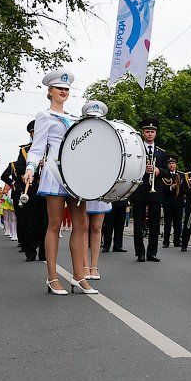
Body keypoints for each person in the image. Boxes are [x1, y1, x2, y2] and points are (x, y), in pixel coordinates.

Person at [23, 69, 95, 294]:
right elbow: (37, 148)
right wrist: (30, 167)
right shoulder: (44, 116)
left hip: (75, 176)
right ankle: (52, 277)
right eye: (59, 88)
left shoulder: (75, 118)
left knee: (81, 225)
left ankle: (79, 276)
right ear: (50, 91)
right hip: (54, 174)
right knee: (54, 225)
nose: (63, 91)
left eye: (66, 89)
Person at [0, 120, 48, 262]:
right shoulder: (25, 150)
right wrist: (31, 166)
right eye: (34, 132)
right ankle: (30, 251)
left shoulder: (50, 148)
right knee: (29, 221)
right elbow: (18, 168)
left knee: (45, 222)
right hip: (30, 189)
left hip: (45, 189)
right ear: (31, 134)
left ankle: (44, 252)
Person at [80, 101, 113, 280]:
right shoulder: (80, 135)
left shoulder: (108, 137)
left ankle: (95, 266)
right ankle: (84, 265)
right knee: (83, 226)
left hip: (101, 185)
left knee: (97, 227)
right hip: (83, 184)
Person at [131, 117, 167, 263]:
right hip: (140, 190)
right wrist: (143, 169)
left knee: (154, 224)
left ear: (156, 133)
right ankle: (140, 252)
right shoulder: (136, 150)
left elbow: (168, 172)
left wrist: (158, 171)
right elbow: (131, 168)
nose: (150, 134)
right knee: (138, 223)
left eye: (152, 131)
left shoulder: (161, 152)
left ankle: (152, 252)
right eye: (147, 131)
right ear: (143, 133)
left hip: (155, 191)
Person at [161, 156, 183, 248]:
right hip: (168, 202)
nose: (171, 165)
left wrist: (178, 188)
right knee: (167, 223)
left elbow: (185, 188)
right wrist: (171, 187)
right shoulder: (164, 174)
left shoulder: (181, 175)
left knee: (178, 223)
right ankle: (166, 241)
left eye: (173, 163)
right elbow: (162, 188)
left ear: (176, 165)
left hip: (178, 202)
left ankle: (177, 240)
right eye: (169, 163)